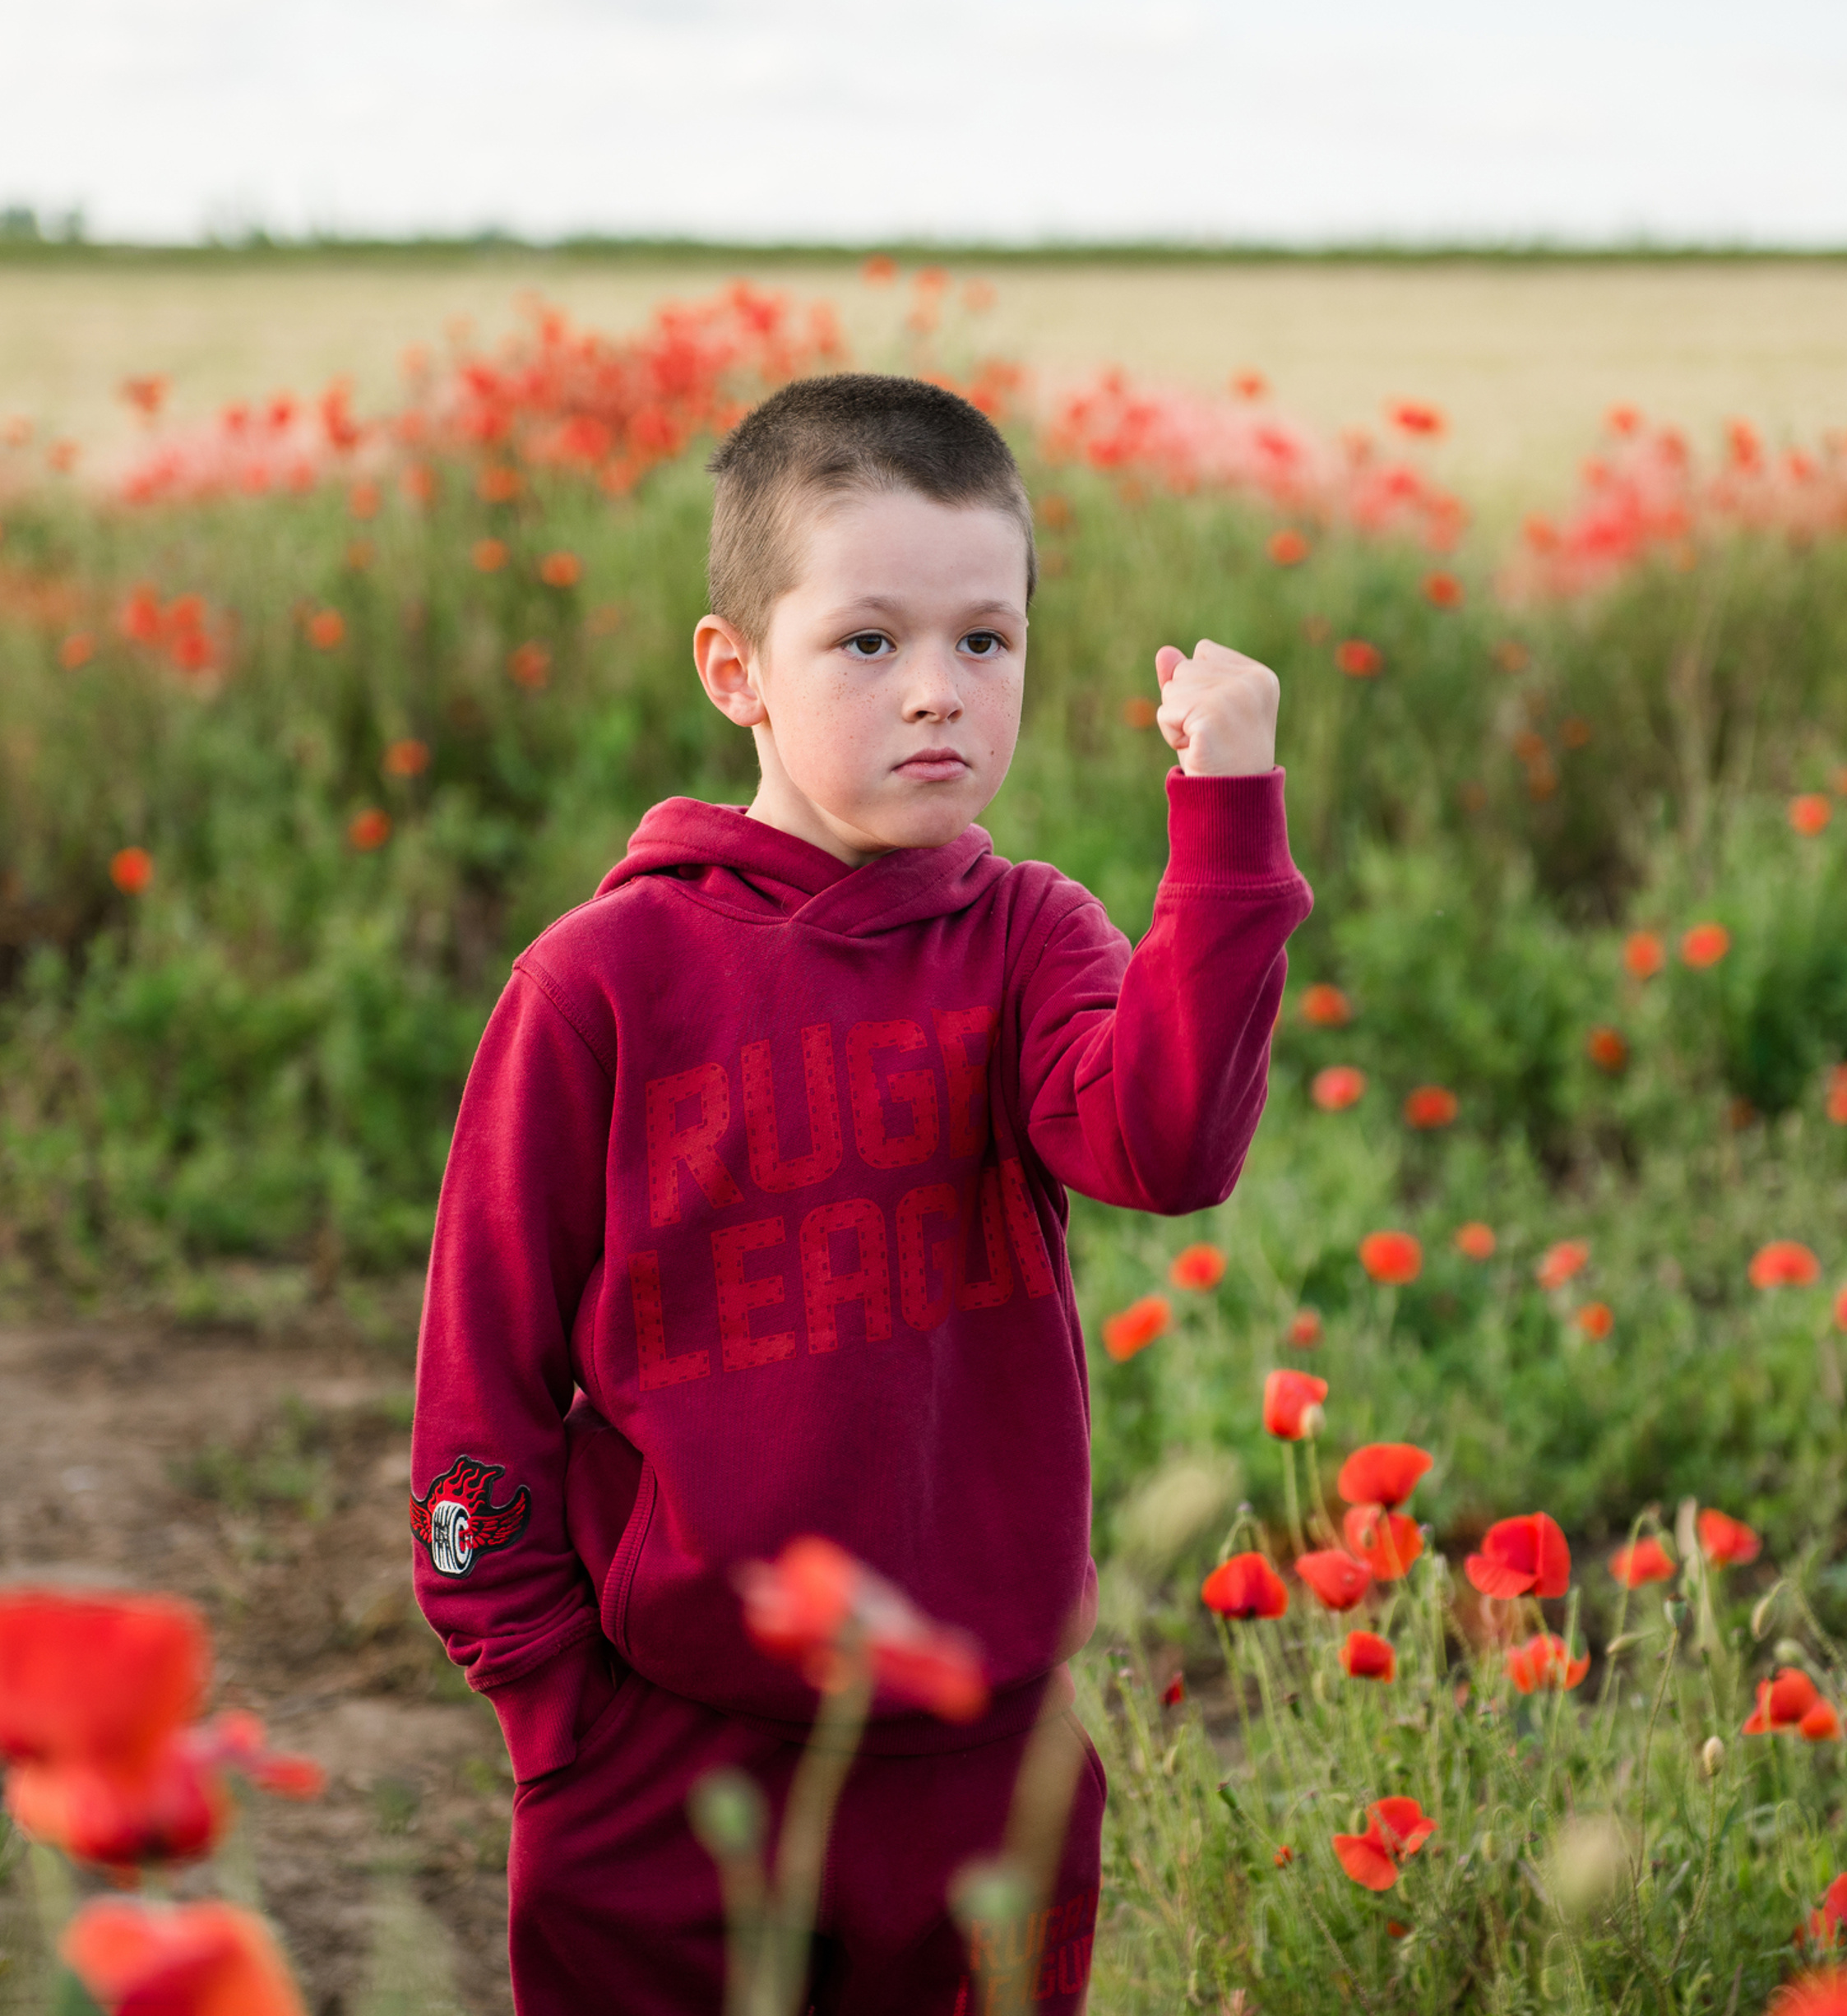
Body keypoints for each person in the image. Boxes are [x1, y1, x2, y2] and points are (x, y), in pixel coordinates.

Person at [410, 372, 1312, 2014]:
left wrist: (1225, 822)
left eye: (984, 640)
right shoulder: (601, 981)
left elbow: (1166, 1144)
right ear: (733, 670)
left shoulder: (1029, 936)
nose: (935, 695)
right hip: (669, 1759)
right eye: (867, 642)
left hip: (981, 1761)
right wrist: (554, 1712)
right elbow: (483, 1368)